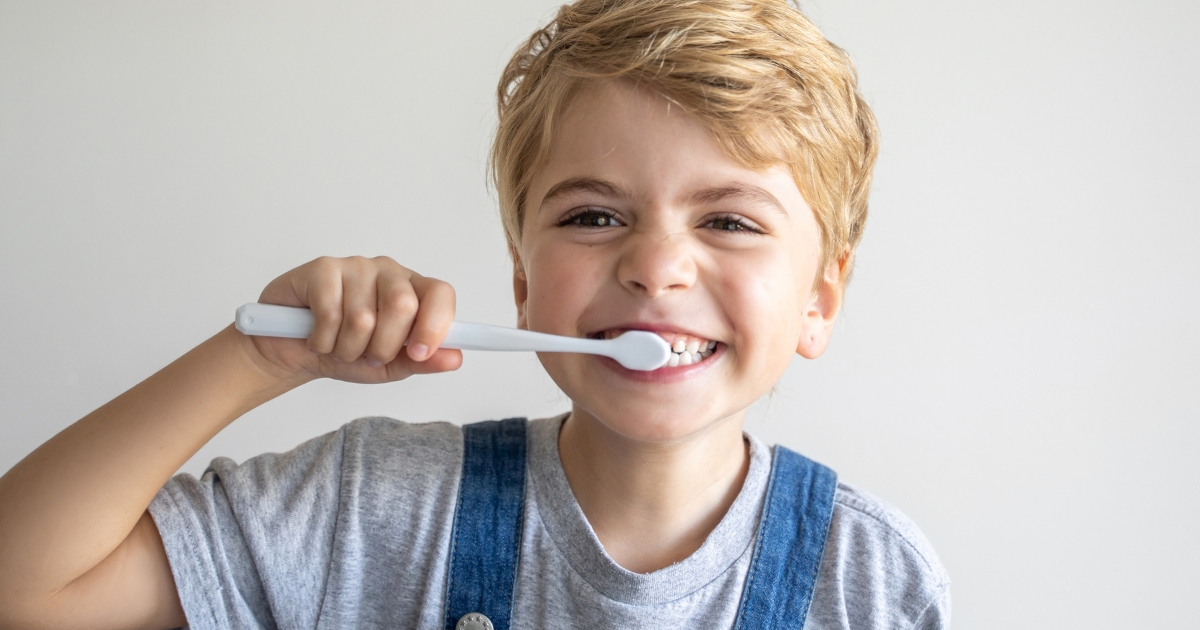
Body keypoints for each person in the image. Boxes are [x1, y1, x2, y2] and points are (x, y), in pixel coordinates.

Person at [0, 0, 950, 628]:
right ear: (524, 279)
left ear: (819, 301)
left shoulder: (871, 580)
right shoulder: (373, 509)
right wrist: (258, 359)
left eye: (730, 220)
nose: (656, 267)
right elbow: (25, 588)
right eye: (593, 215)